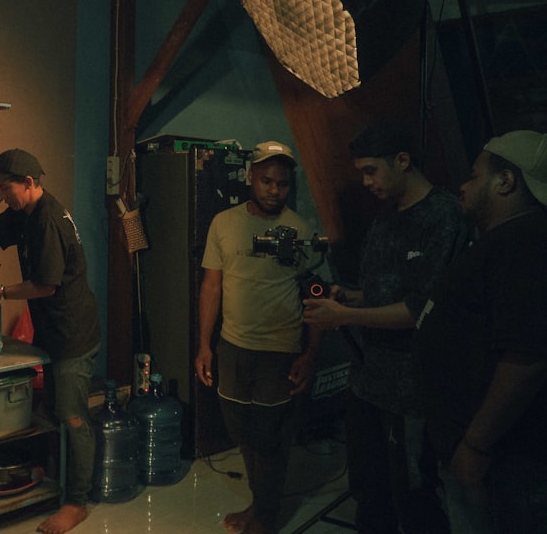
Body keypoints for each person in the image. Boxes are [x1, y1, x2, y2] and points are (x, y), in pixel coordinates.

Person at [302, 121, 467, 534]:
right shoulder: (385, 219)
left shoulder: (444, 217)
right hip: (367, 383)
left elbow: (420, 309)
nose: (365, 181)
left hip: (411, 391)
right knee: (369, 489)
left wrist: (345, 317)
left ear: (403, 161)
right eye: (361, 172)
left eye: (371, 170)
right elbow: (383, 293)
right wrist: (348, 297)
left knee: (414, 497)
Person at [0, 148, 100, 534]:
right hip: (52, 333)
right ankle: (62, 481)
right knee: (54, 412)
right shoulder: (24, 211)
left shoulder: (48, 221)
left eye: (6, 188)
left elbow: (45, 286)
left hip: (72, 333)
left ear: (29, 183)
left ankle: (77, 503)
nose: (3, 195)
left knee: (73, 418)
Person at [415, 129, 547, 533]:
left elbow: (526, 356)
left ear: (505, 180)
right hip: (482, 451)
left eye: (474, 175)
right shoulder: (504, 241)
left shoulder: (525, 242)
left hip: (503, 458)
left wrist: (475, 445)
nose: (463, 184)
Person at [194, 141, 322, 534]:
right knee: (241, 431)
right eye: (266, 180)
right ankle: (258, 504)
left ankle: (267, 515)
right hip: (232, 346)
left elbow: (316, 298)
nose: (273, 190)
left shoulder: (300, 231)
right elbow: (211, 287)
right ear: (251, 177)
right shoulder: (224, 223)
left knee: (269, 438)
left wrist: (310, 355)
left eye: (281, 184)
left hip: (279, 350)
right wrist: (204, 345)